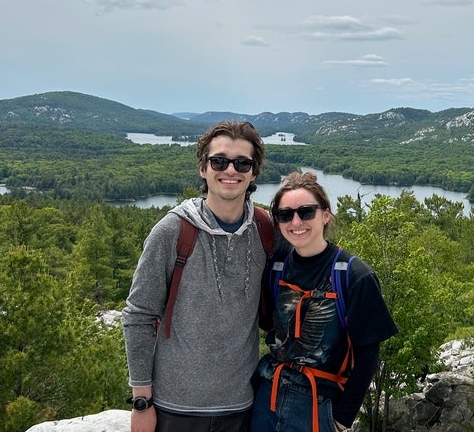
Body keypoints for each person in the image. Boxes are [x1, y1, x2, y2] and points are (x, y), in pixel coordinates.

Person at [122, 120, 270, 432]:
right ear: (203, 168)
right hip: (175, 408)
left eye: (243, 163)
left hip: (242, 405)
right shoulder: (172, 231)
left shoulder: (265, 231)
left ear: (254, 173)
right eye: (219, 161)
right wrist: (141, 401)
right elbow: (139, 315)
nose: (231, 170)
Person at [251, 171, 398, 432]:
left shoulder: (354, 275)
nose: (296, 221)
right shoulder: (276, 266)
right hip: (267, 397)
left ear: (325, 215)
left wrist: (342, 418)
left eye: (306, 212)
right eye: (285, 215)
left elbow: (368, 355)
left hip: (318, 405)